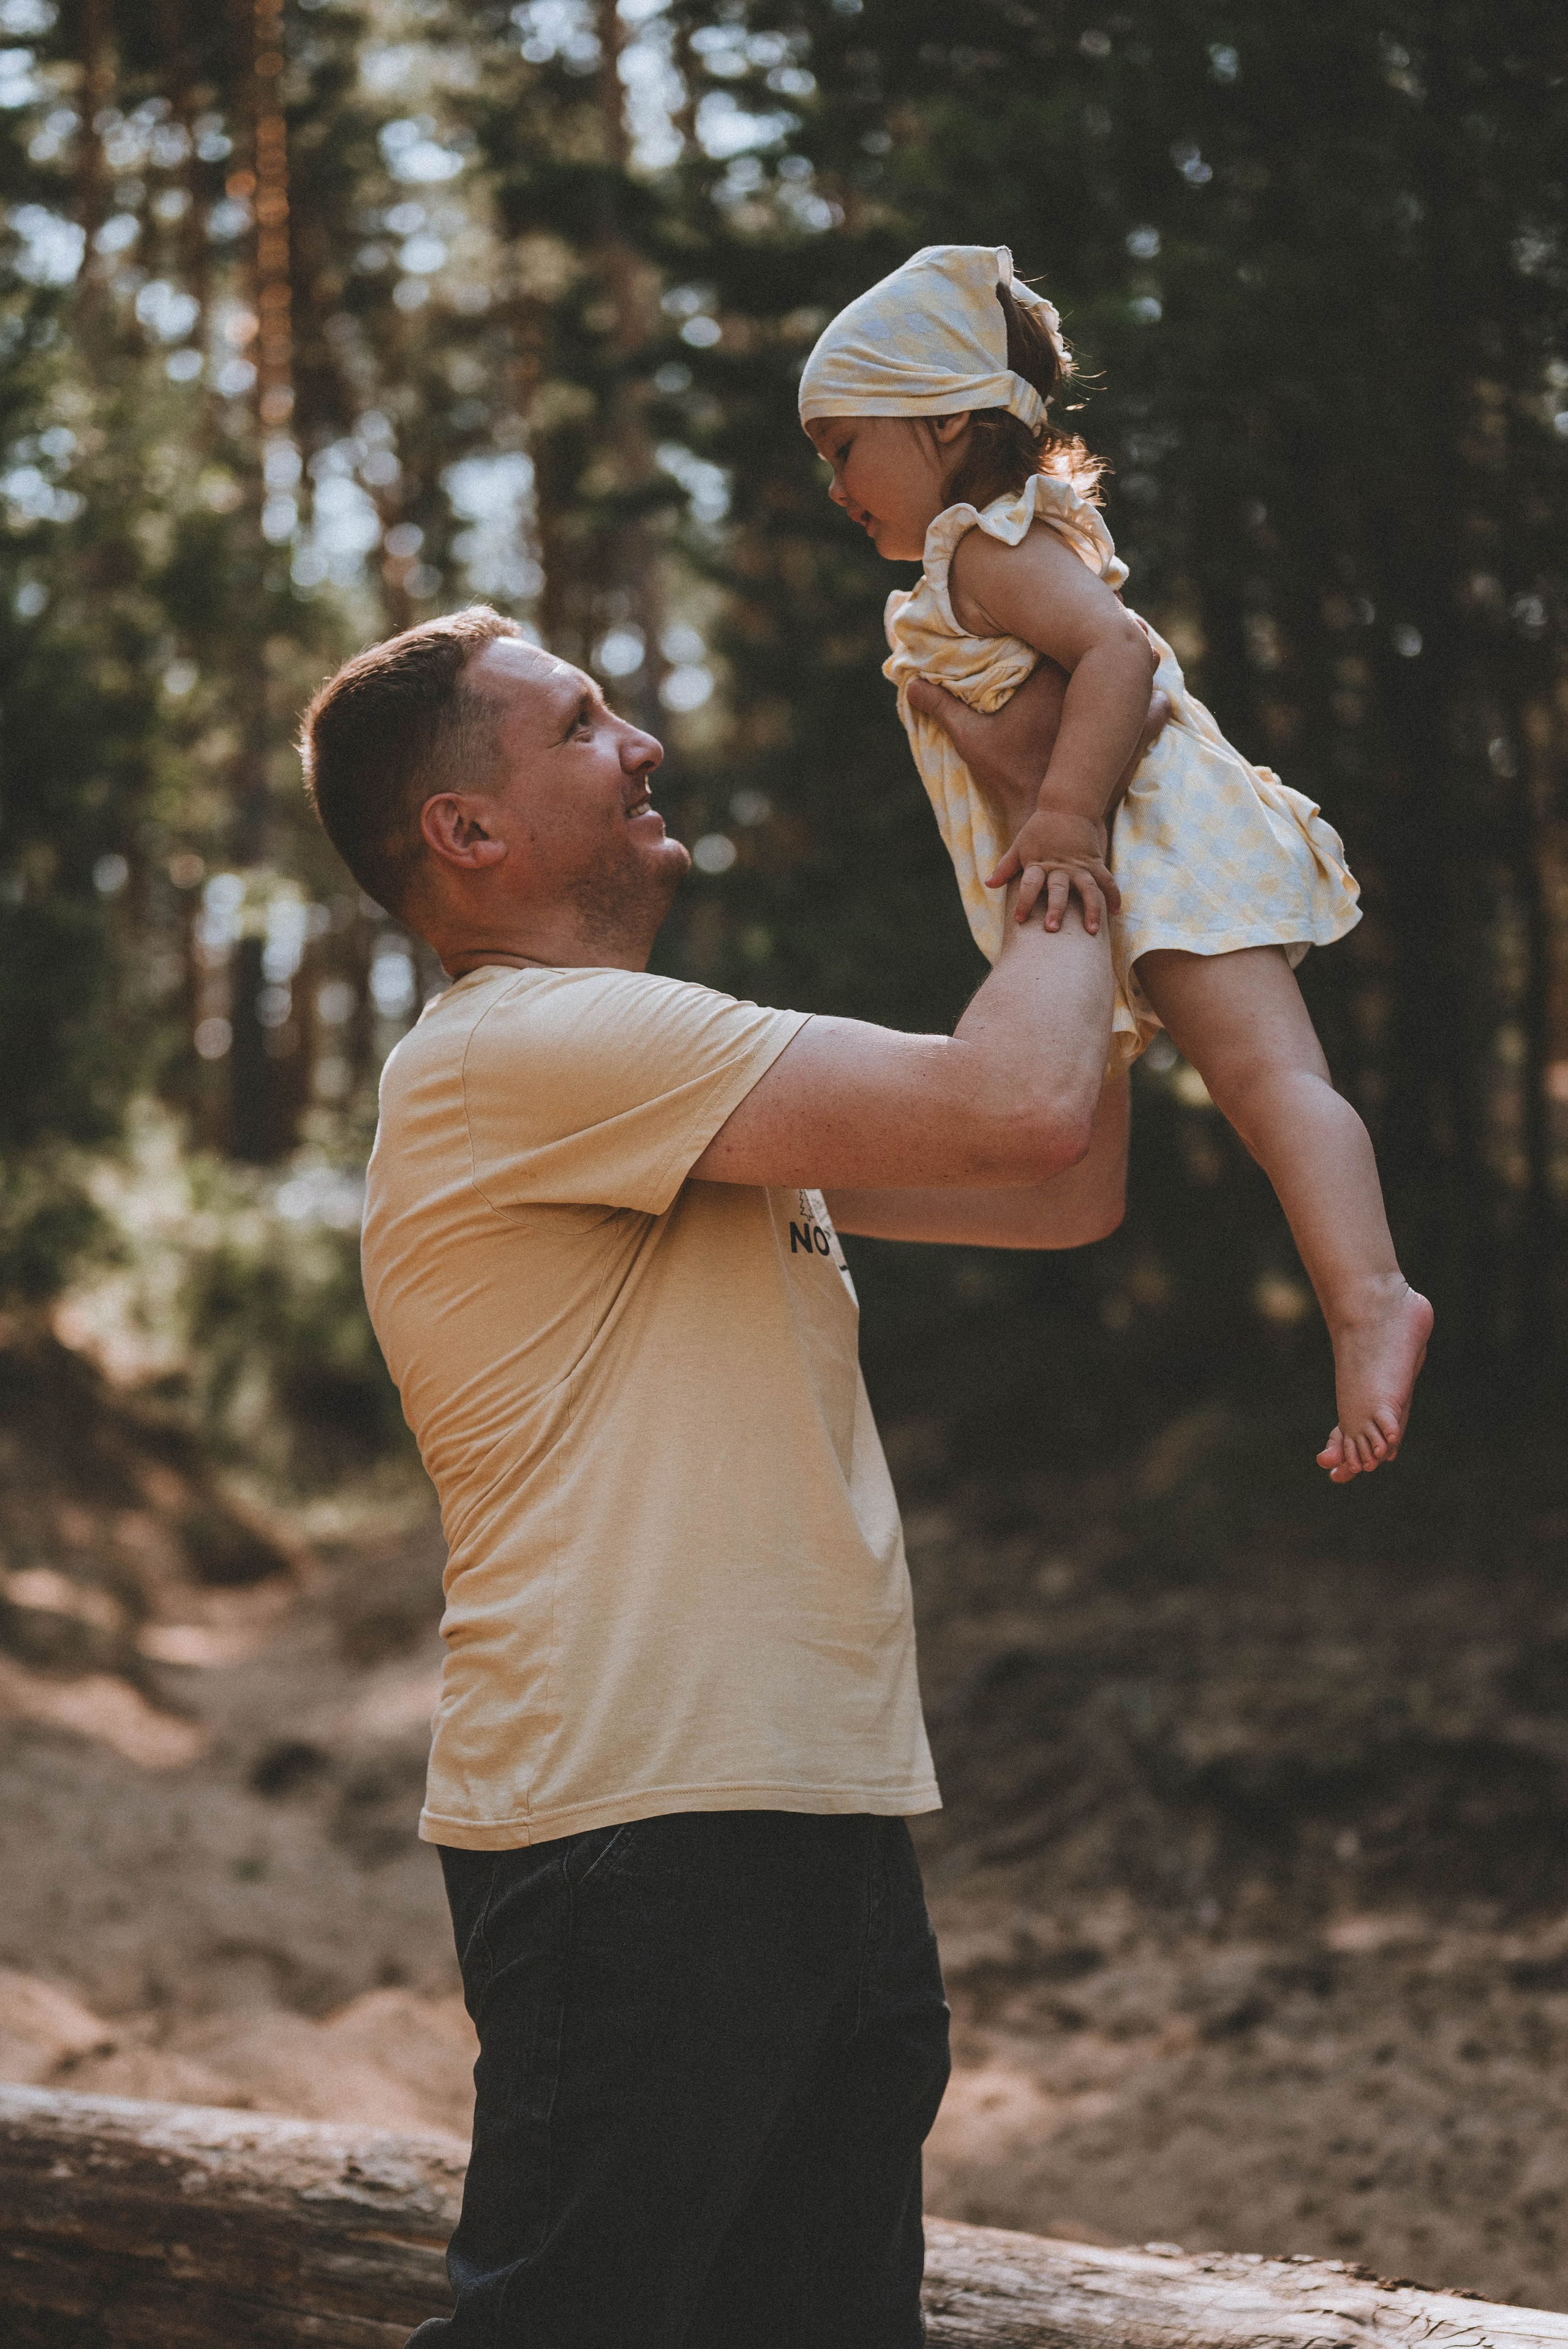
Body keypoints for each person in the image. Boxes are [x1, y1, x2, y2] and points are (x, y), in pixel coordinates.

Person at [297, 605, 1165, 2347]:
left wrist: (1041, 835)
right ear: (466, 831)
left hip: (806, 1811)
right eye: (583, 723)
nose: (644, 744)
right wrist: (1070, 821)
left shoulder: (672, 1113)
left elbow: (1061, 1185)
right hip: (635, 1825)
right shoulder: (516, 1049)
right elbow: (1025, 1107)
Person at [799, 242, 1432, 1484]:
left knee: (1265, 1080)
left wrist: (1067, 816)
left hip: (1141, 837)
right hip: (1095, 860)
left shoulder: (981, 547)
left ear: (940, 425)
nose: (831, 485)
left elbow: (1119, 655)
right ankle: (796, 1201)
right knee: (1064, 1159)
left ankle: (1368, 1298)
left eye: (840, 447)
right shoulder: (969, 561)